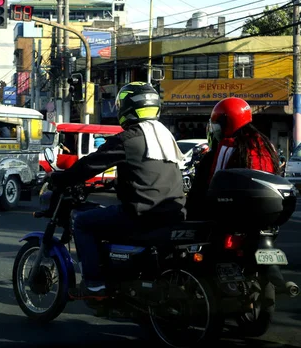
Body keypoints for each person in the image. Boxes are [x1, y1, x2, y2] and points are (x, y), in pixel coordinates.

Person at [50, 82, 185, 301]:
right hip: (173, 213)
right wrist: (114, 185)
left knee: (83, 222)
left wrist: (60, 179)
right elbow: (147, 174)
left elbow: (90, 165)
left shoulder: (129, 138)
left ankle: (94, 285)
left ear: (126, 107)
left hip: (141, 215)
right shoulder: (165, 136)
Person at [186, 97, 279, 219]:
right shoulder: (266, 146)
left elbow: (203, 193)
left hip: (228, 221)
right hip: (265, 218)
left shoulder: (226, 148)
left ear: (225, 124)